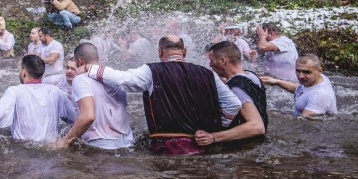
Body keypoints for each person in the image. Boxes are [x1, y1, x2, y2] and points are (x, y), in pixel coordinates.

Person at [78, 35, 241, 155]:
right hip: (203, 146)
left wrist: (89, 68)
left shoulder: (151, 71)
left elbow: (121, 79)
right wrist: (214, 132)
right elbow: (234, 104)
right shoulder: (208, 74)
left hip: (167, 148)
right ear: (185, 51)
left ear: (160, 51)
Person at [0, 54, 76, 143]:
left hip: (24, 150)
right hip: (51, 149)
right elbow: (75, 119)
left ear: (24, 72)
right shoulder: (56, 91)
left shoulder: (15, 91)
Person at [56, 43, 133, 150]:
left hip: (100, 145)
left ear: (79, 61)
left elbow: (88, 116)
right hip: (127, 143)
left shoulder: (81, 79)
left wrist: (65, 140)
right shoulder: (114, 77)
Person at [195, 41, 267, 146]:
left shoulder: (236, 87)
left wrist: (213, 137)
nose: (210, 64)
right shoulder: (252, 76)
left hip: (244, 145)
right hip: (259, 143)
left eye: (211, 60)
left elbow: (257, 126)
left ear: (223, 60)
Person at [262, 54, 338, 117]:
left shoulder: (320, 95)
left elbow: (302, 122)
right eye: (298, 71)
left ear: (320, 71)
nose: (300, 76)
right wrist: (277, 82)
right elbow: (301, 89)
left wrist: (271, 115)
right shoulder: (317, 79)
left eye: (306, 72)